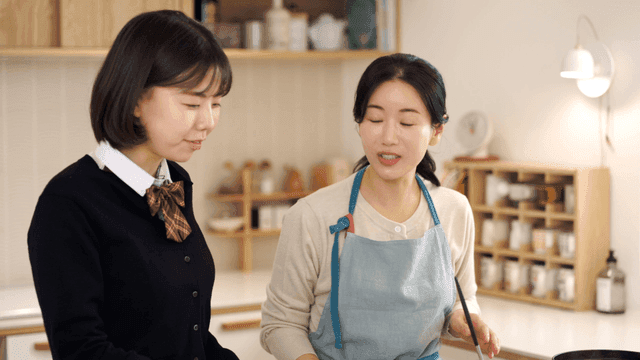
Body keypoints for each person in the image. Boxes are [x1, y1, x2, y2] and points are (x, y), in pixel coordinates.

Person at [260, 53, 500, 360]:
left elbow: (461, 300)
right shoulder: (312, 215)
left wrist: (462, 320)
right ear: (359, 124)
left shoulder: (454, 210)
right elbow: (279, 325)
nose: (388, 137)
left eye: (407, 122)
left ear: (437, 131)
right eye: (374, 119)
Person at [27, 10, 237, 360]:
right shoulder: (69, 202)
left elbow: (187, 330)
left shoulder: (173, 183)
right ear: (137, 98)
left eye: (216, 103)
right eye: (191, 103)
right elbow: (82, 350)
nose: (209, 121)